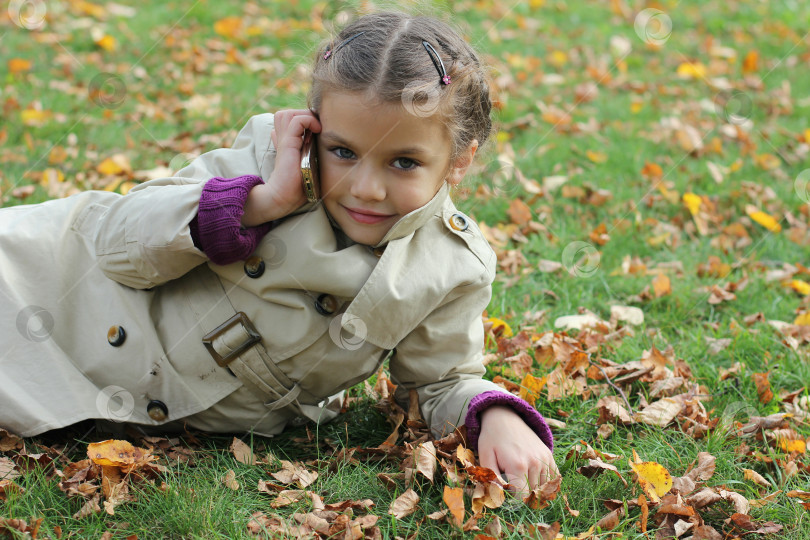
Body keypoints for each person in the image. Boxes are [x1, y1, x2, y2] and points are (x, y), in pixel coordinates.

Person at [0, 11, 557, 493]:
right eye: (343, 151)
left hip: (115, 394)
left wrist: (498, 412)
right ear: (313, 130)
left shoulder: (450, 264)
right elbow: (118, 247)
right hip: (48, 285)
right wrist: (258, 204)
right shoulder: (270, 160)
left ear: (458, 161)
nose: (365, 187)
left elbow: (441, 380)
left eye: (403, 162)